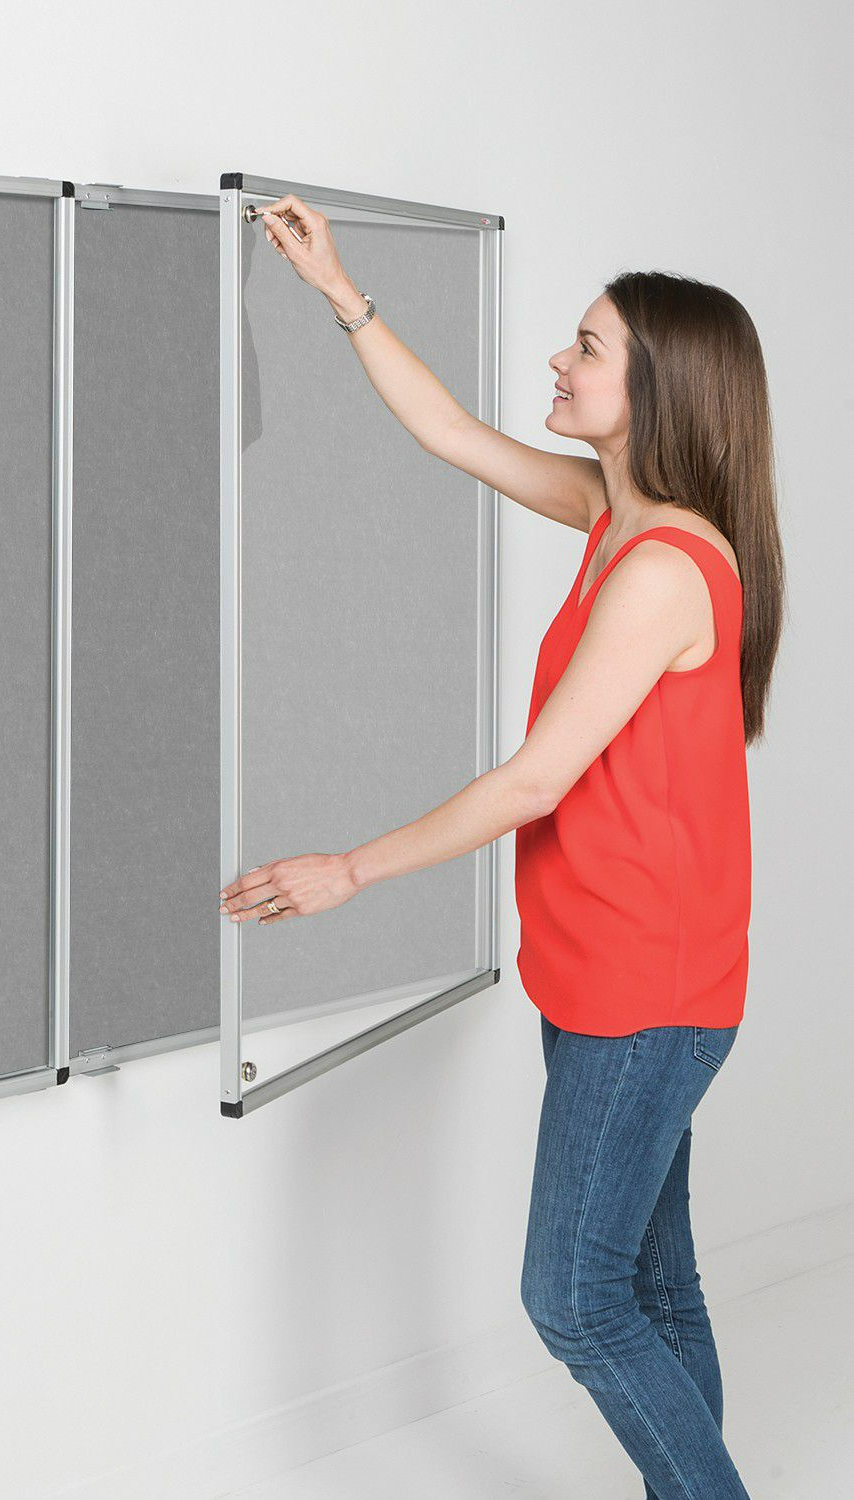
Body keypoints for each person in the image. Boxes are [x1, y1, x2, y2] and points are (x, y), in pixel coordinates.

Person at [217, 194, 784, 1498]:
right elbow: (452, 435)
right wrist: (340, 291)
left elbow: (535, 780)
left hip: (648, 995)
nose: (559, 361)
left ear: (655, 392)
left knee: (574, 1299)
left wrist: (350, 869)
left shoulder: (663, 569)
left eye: (588, 348)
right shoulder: (613, 516)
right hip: (606, 974)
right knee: (652, 1282)